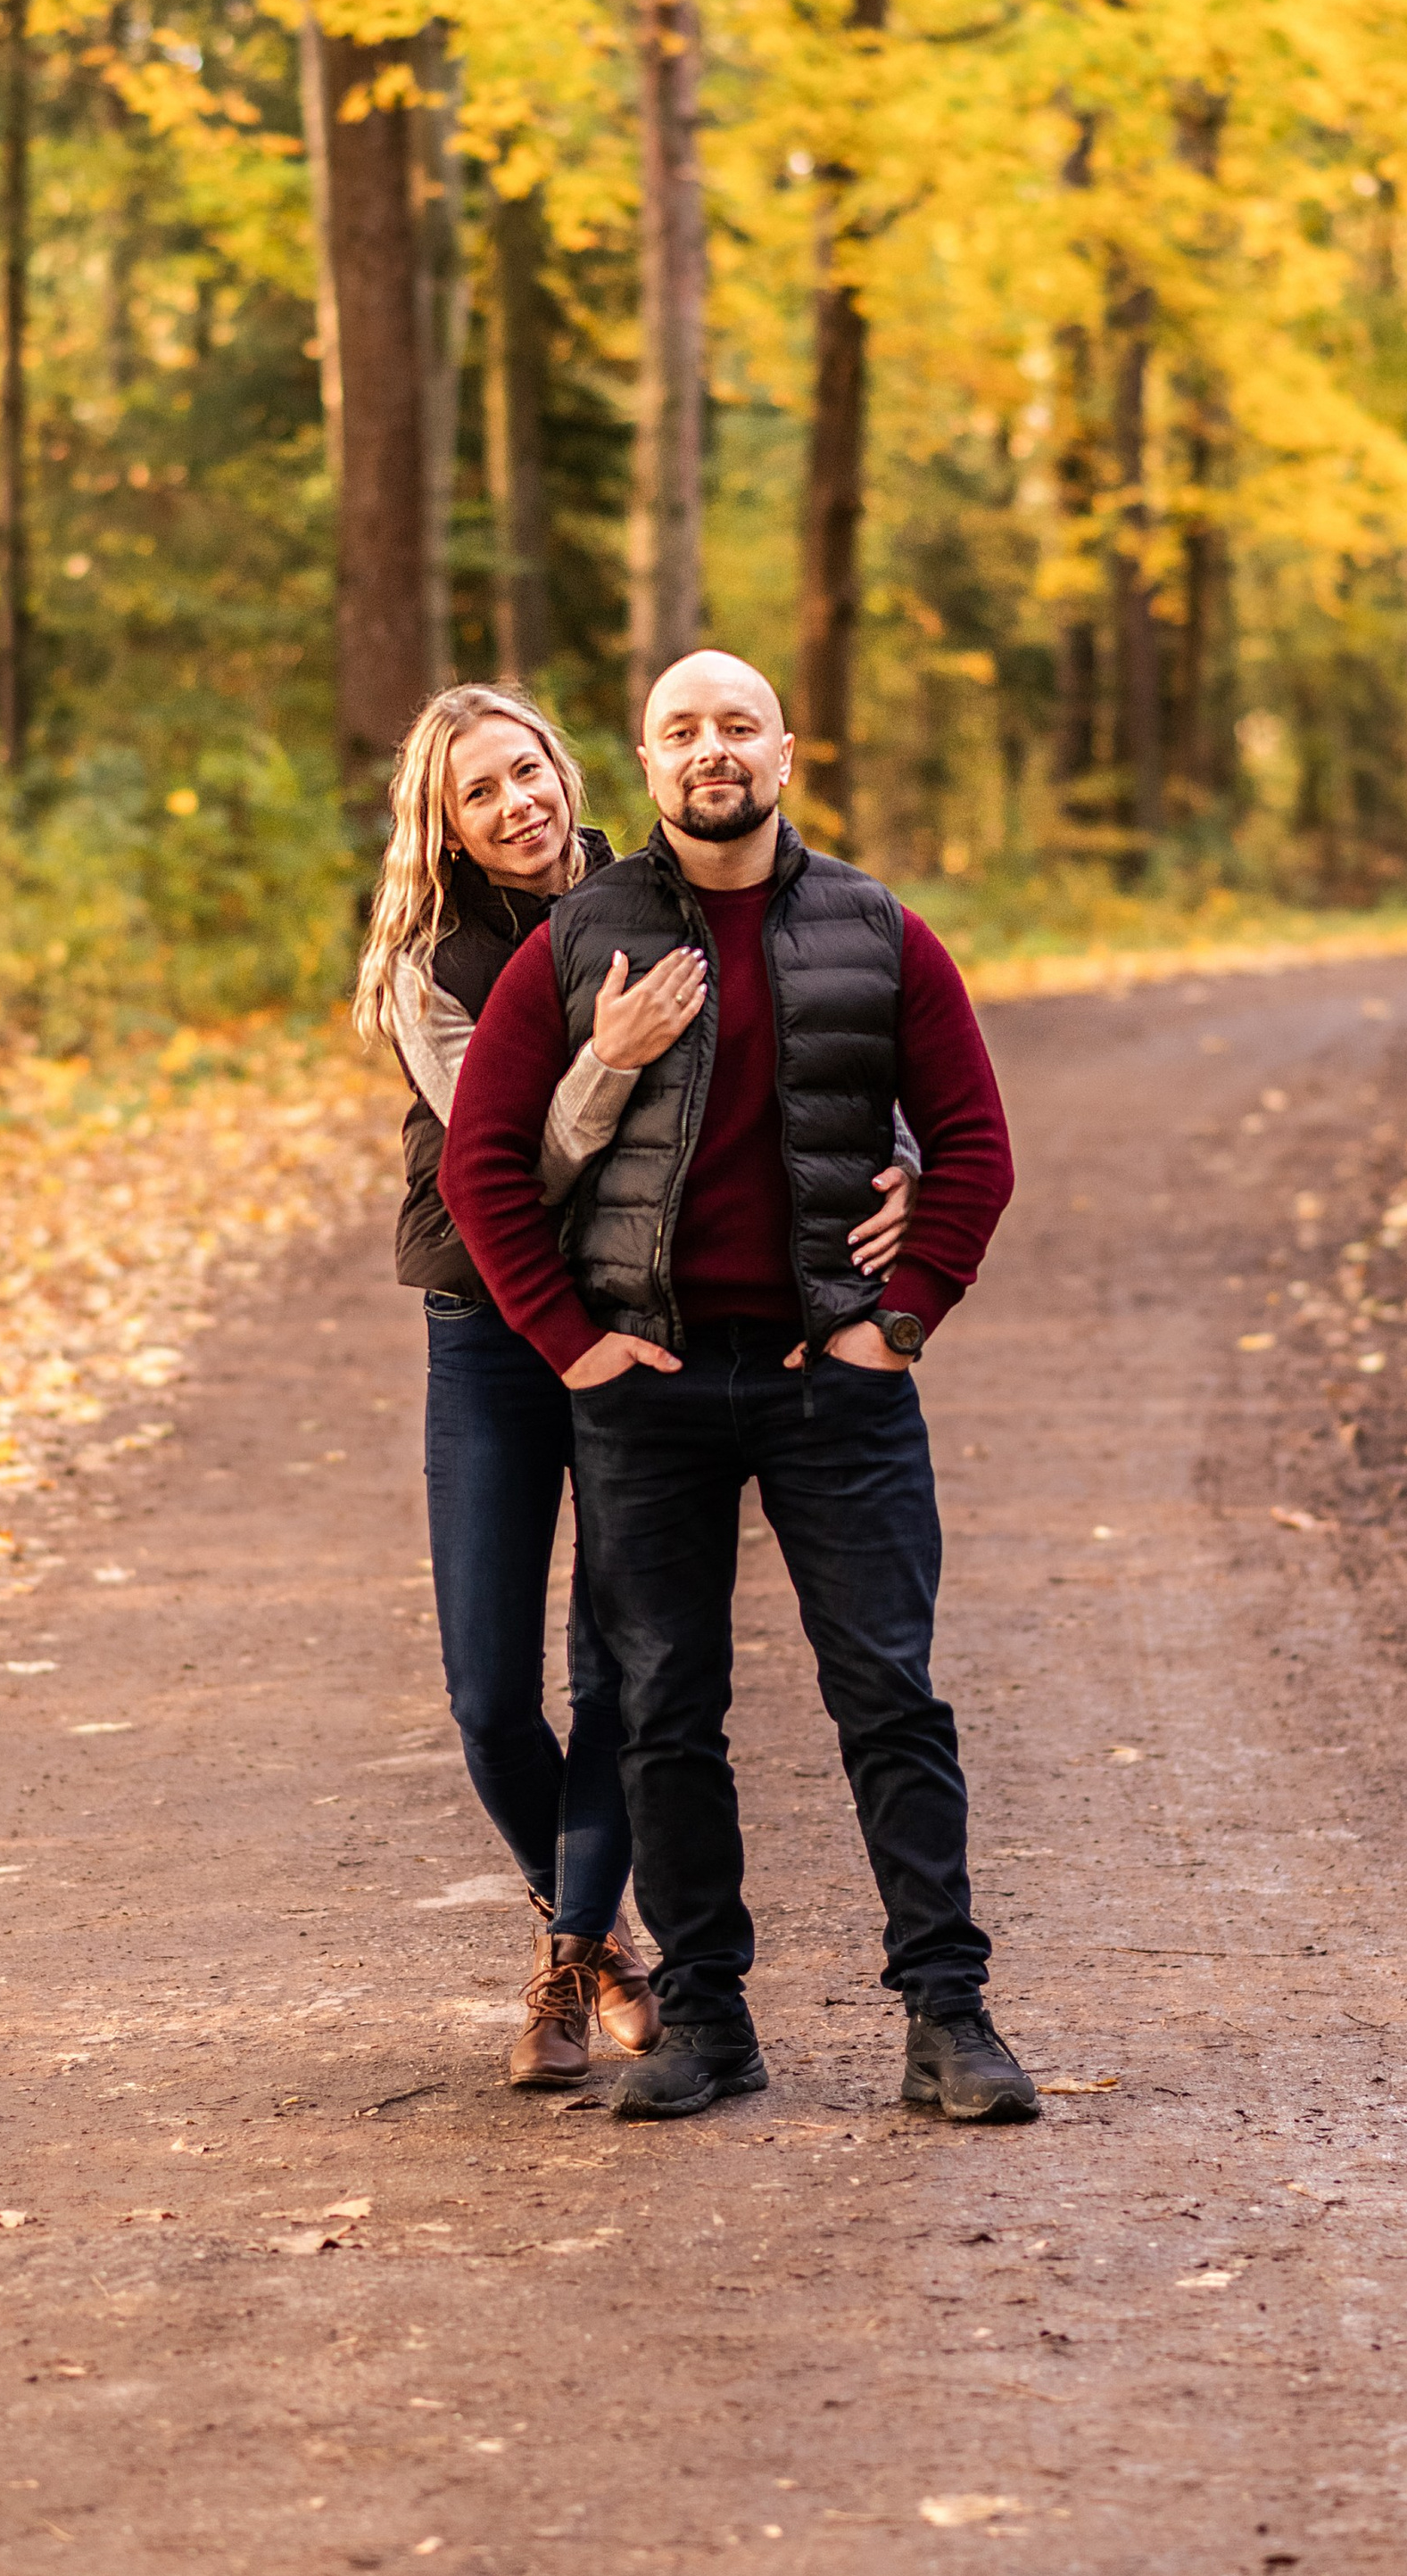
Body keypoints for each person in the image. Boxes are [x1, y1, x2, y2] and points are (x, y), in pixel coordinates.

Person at [440, 648, 1033, 2125]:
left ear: (786, 750)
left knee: (889, 1697)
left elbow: (972, 1143)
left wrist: (898, 1318)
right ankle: (708, 2022)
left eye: (739, 727)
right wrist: (575, 1344)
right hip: (647, 1389)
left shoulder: (877, 928)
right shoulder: (579, 939)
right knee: (663, 1713)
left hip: (832, 1384)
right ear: (646, 767)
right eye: (682, 730)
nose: (715, 751)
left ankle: (947, 2020)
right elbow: (480, 1164)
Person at [353, 680, 918, 2090]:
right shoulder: (430, 965)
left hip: (638, 1324)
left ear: (569, 765)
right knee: (490, 1688)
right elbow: (510, 1171)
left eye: (529, 770)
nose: (519, 805)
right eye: (480, 792)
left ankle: (580, 1943)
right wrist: (606, 1061)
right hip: (491, 1323)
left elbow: (813, 1041)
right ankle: (595, 1936)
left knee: (625, 1666)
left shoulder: (657, 893)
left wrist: (895, 1149)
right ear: (448, 825)